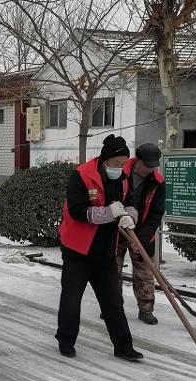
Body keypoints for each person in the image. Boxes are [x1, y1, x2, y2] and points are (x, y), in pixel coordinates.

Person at [55, 134, 144, 361]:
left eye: (123, 163)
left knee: (113, 301)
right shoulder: (82, 176)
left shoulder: (123, 178)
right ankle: (66, 341)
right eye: (115, 164)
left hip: (105, 250)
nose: (120, 168)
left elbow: (132, 202)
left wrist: (129, 216)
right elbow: (76, 210)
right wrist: (106, 213)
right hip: (78, 250)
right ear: (105, 160)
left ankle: (124, 347)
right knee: (71, 300)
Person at [118, 143, 166, 325]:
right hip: (118, 229)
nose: (150, 169)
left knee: (145, 272)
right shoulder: (120, 172)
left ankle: (146, 309)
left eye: (153, 166)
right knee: (112, 271)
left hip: (143, 232)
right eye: (147, 165)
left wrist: (142, 239)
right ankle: (113, 306)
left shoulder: (158, 183)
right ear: (137, 160)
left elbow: (156, 213)